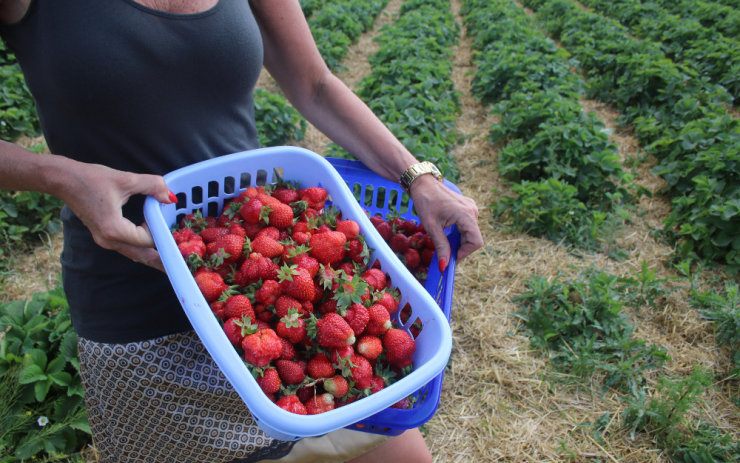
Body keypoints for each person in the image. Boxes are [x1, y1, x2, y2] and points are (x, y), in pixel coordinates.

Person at [0, 0, 484, 462]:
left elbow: (314, 84)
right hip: (139, 302)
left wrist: (416, 175)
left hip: (280, 267)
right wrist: (61, 176)